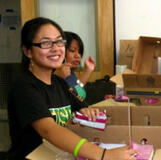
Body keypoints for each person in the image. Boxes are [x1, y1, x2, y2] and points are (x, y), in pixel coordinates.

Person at [7, 17, 135, 160]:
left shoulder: (59, 82)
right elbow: (49, 130)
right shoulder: (24, 87)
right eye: (46, 43)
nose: (55, 48)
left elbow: (80, 103)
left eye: (59, 41)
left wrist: (86, 110)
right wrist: (104, 155)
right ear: (27, 51)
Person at [55, 31, 95, 101]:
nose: (78, 56)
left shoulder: (70, 72)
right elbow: (74, 98)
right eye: (72, 50)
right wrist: (57, 78)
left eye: (79, 52)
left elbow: (78, 91)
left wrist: (87, 71)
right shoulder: (55, 74)